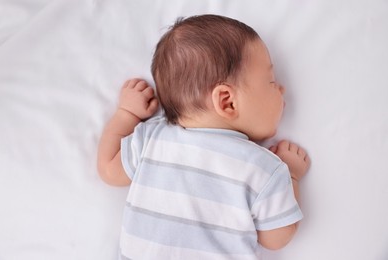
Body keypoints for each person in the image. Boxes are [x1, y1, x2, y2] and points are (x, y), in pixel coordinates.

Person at [97, 14, 310, 260]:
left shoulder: (154, 138)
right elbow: (277, 237)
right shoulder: (264, 169)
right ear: (227, 101)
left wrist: (126, 114)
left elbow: (109, 169)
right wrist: (291, 175)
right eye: (271, 81)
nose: (281, 89)